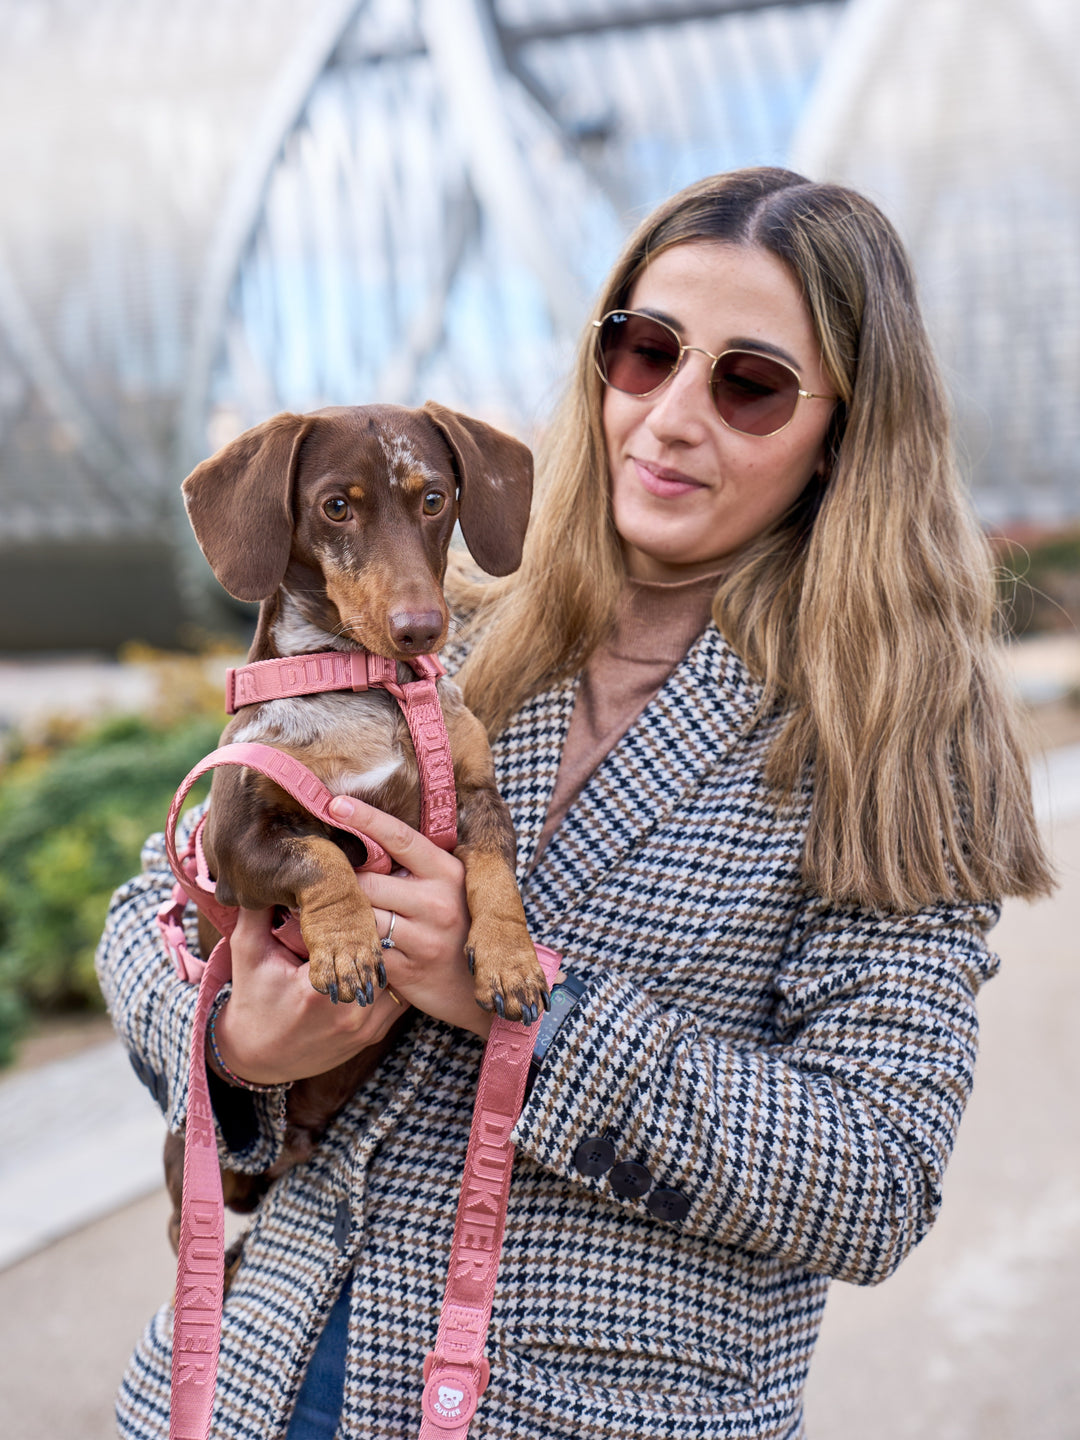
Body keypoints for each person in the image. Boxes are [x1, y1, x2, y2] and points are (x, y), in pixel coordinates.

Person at [97, 167, 1051, 1440]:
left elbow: (874, 1181)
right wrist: (234, 1045)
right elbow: (150, 914)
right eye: (645, 352)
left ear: (848, 425)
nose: (668, 416)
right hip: (251, 1381)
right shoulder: (439, 638)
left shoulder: (903, 734)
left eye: (750, 382)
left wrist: (520, 1011)